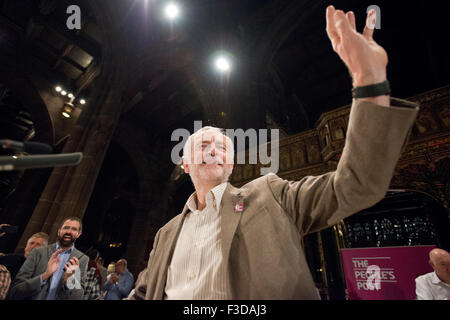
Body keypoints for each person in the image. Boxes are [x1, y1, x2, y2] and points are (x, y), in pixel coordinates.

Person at [129, 7, 419, 300]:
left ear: (230, 165)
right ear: (186, 164)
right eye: (203, 145)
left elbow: (355, 185)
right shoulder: (166, 233)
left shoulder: (270, 195)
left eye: (223, 147)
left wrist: (369, 79)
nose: (215, 150)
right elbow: (142, 294)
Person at [8, 217, 88, 300]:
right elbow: (16, 290)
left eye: (74, 229)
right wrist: (45, 275)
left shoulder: (82, 259)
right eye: (66, 228)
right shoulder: (38, 252)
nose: (68, 231)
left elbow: (77, 297)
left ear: (79, 234)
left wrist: (70, 279)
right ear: (59, 231)